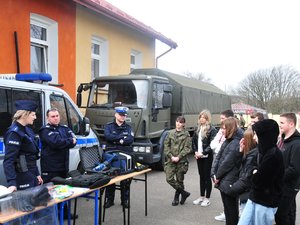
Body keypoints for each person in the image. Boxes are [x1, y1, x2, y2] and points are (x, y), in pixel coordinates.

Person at [238, 119, 284, 225]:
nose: (254, 137)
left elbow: (258, 181)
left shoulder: (273, 155)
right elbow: (251, 171)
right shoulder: (263, 152)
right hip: (255, 197)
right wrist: (255, 172)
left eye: (256, 135)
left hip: (265, 202)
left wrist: (255, 172)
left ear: (265, 136)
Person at [3, 100, 43, 192]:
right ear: (25, 114)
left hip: (31, 174)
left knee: (35, 203)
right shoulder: (14, 133)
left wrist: (37, 174)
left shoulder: (27, 130)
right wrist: (12, 183)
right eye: (33, 115)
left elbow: (31, 155)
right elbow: (9, 160)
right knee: (26, 205)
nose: (35, 117)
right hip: (22, 176)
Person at [211, 117, 243, 225]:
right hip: (224, 179)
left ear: (230, 128)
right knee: (228, 209)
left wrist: (217, 176)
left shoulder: (235, 143)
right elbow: (219, 157)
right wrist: (213, 173)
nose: (222, 130)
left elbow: (227, 163)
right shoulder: (228, 140)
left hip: (229, 180)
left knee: (232, 211)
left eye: (224, 128)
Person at [104, 106, 134, 208]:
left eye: (124, 115)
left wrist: (116, 139)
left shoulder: (128, 127)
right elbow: (108, 137)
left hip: (124, 156)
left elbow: (130, 140)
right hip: (112, 156)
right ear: (116, 115)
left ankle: (125, 200)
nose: (123, 117)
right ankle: (109, 200)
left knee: (125, 179)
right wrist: (121, 139)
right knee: (110, 178)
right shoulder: (109, 126)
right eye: (121, 115)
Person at [39, 108, 77, 183]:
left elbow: (74, 141)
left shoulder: (64, 128)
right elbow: (56, 143)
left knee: (63, 191)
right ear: (48, 118)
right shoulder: (45, 130)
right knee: (50, 191)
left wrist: (66, 142)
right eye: (53, 116)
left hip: (64, 167)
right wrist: (69, 141)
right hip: (51, 168)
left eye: (57, 116)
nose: (56, 118)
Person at [275, 113, 300, 225]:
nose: (279, 125)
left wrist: (276, 177)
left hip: (289, 186)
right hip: (281, 185)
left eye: (282, 123)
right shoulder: (282, 141)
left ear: (291, 124)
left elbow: (294, 169)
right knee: (282, 216)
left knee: (284, 216)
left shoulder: (297, 144)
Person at [227, 126, 258, 214]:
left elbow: (245, 178)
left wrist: (232, 189)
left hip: (247, 195)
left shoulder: (252, 156)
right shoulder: (248, 154)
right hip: (245, 194)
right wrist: (240, 151)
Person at [164, 116, 191, 206]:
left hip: (181, 161)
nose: (178, 123)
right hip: (171, 160)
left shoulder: (186, 134)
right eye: (177, 121)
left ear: (183, 124)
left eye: (180, 122)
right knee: (169, 178)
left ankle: (176, 198)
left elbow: (187, 148)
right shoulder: (170, 133)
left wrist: (179, 157)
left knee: (180, 180)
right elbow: (166, 146)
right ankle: (184, 193)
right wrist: (171, 156)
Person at [192, 110, 217, 206]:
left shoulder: (212, 129)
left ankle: (207, 198)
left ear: (207, 119)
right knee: (201, 176)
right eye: (200, 117)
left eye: (204, 117)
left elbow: (211, 145)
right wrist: (195, 152)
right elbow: (193, 142)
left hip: (206, 157)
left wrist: (202, 153)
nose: (201, 119)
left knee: (207, 177)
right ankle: (201, 196)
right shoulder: (197, 129)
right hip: (199, 156)